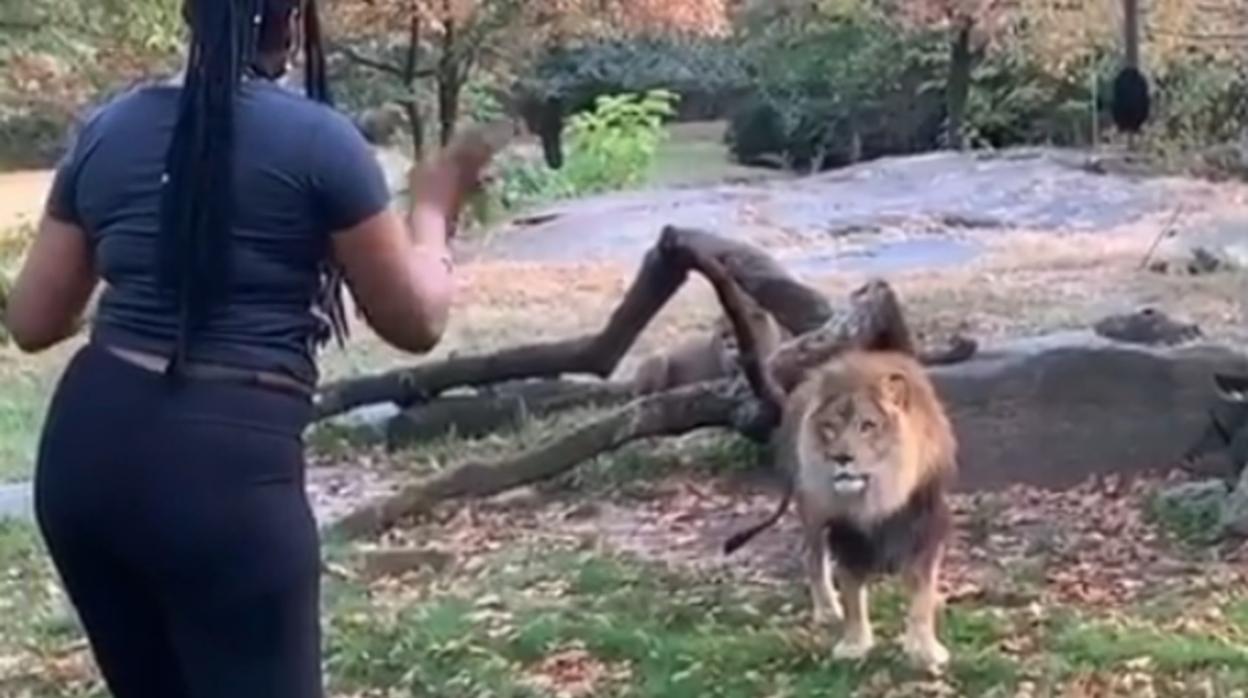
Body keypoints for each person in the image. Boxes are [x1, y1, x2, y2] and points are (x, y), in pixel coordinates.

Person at [1, 1, 503, 696]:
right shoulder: (319, 141)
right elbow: (415, 320)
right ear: (291, 20)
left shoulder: (107, 130)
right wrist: (432, 211)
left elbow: (32, 320)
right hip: (226, 479)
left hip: (87, 457)